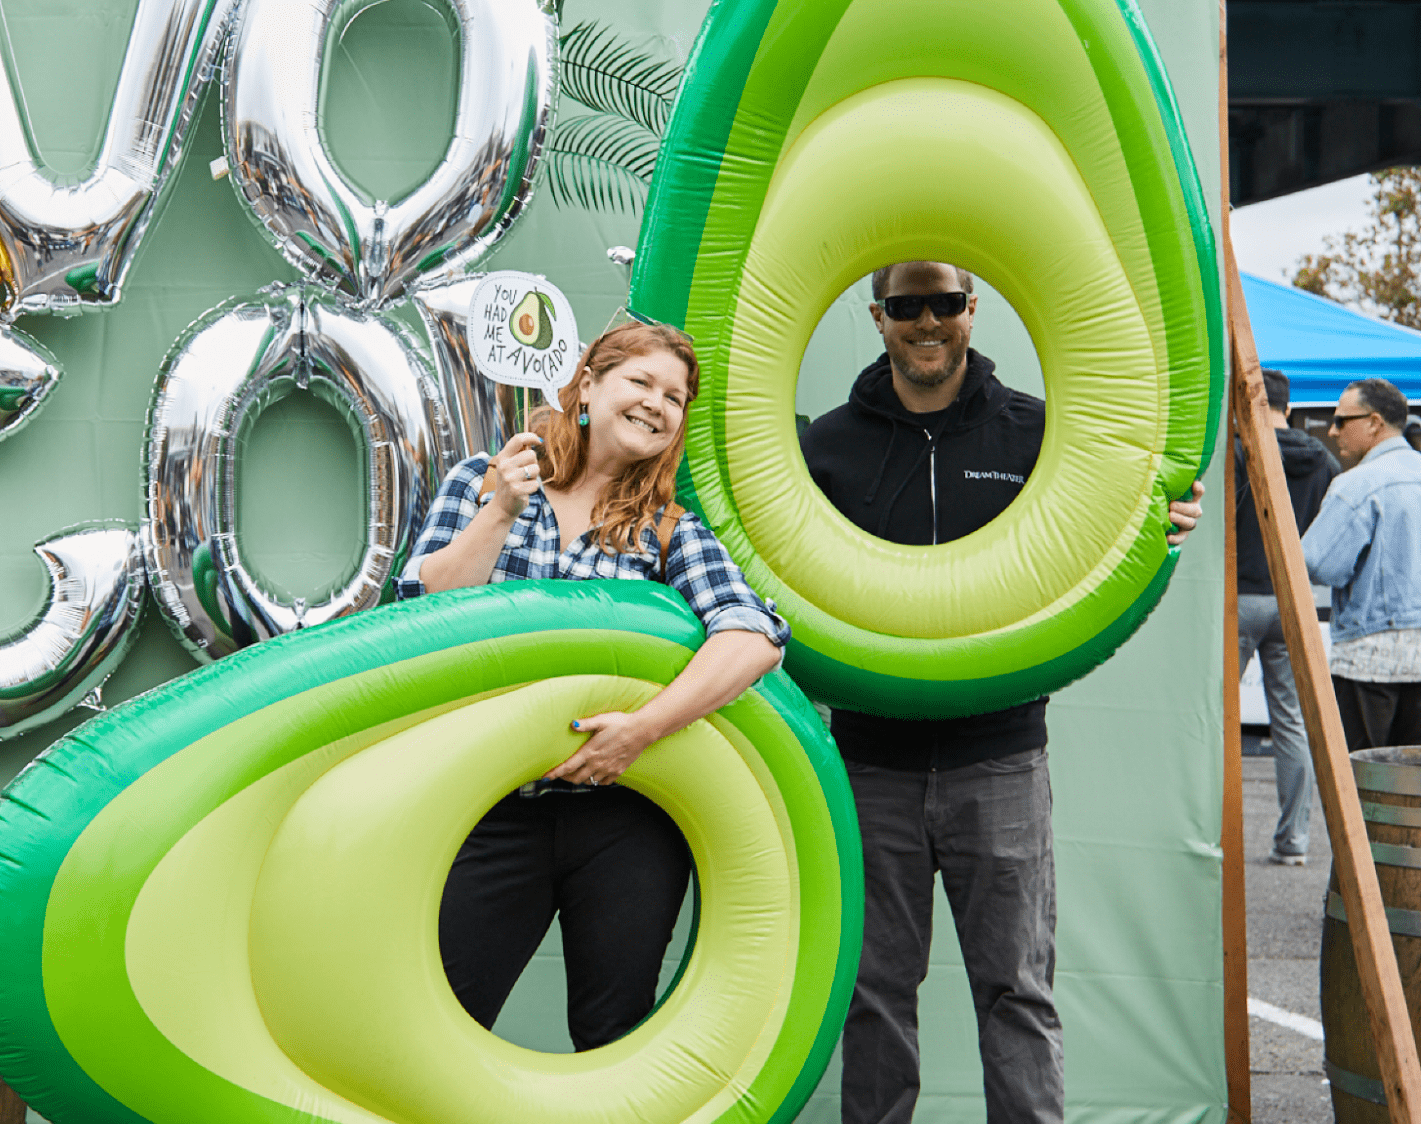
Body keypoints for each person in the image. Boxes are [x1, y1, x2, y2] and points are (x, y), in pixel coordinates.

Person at [798, 261, 1203, 1124]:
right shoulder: (823, 447)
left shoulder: (1038, 434)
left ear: (973, 310)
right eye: (907, 306)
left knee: (1015, 986)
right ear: (878, 317)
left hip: (1000, 758)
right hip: (871, 763)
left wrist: (1162, 518)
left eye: (944, 302)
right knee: (872, 990)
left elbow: (1115, 518)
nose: (927, 321)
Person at [394, 320, 788, 1051]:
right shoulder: (487, 478)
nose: (656, 404)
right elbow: (419, 616)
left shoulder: (668, 531)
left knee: (614, 1036)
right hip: (490, 805)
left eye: (673, 397)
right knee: (441, 1019)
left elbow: (753, 636)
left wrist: (642, 730)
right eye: (640, 381)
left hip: (623, 821)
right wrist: (500, 513)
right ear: (586, 386)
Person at [1303, 377, 1421, 751]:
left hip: (1368, 654)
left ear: (1374, 422)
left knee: (1363, 783)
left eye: (1341, 421)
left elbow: (1318, 563)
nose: (1333, 431)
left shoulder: (1357, 484)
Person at [1236, 368, 1340, 866]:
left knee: (1214, 719)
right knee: (1291, 723)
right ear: (1290, 407)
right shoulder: (1323, 460)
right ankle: (1294, 842)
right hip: (1293, 599)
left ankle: (1216, 835)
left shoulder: (1239, 452)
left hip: (1238, 596)